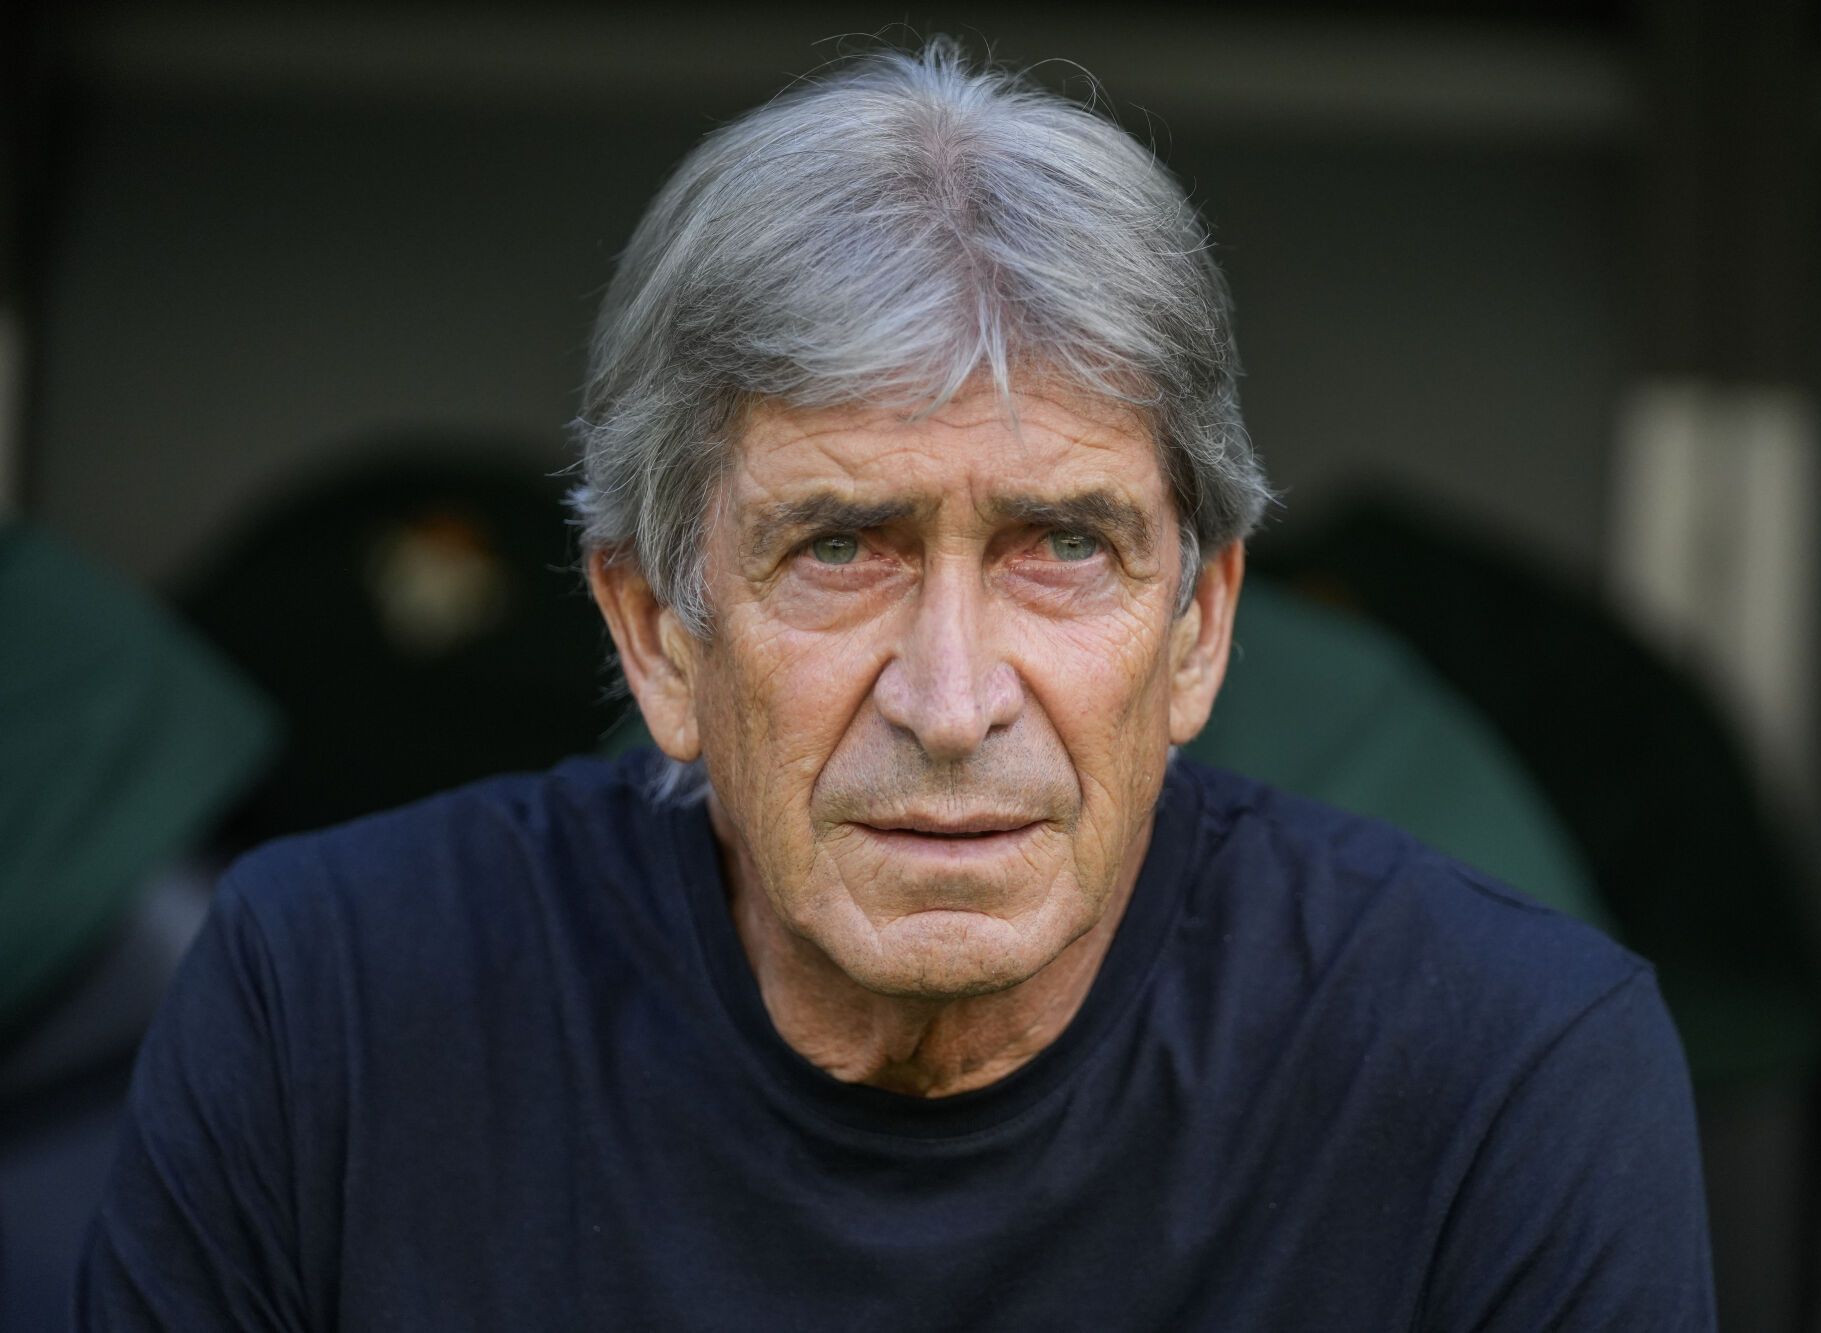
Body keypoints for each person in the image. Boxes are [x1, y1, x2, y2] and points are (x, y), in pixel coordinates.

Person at [78, 40, 1714, 1330]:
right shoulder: (331, 1015)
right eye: (842, 546)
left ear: (1204, 625)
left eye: (1061, 544)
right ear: (657, 633)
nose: (950, 698)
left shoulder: (1509, 1071)